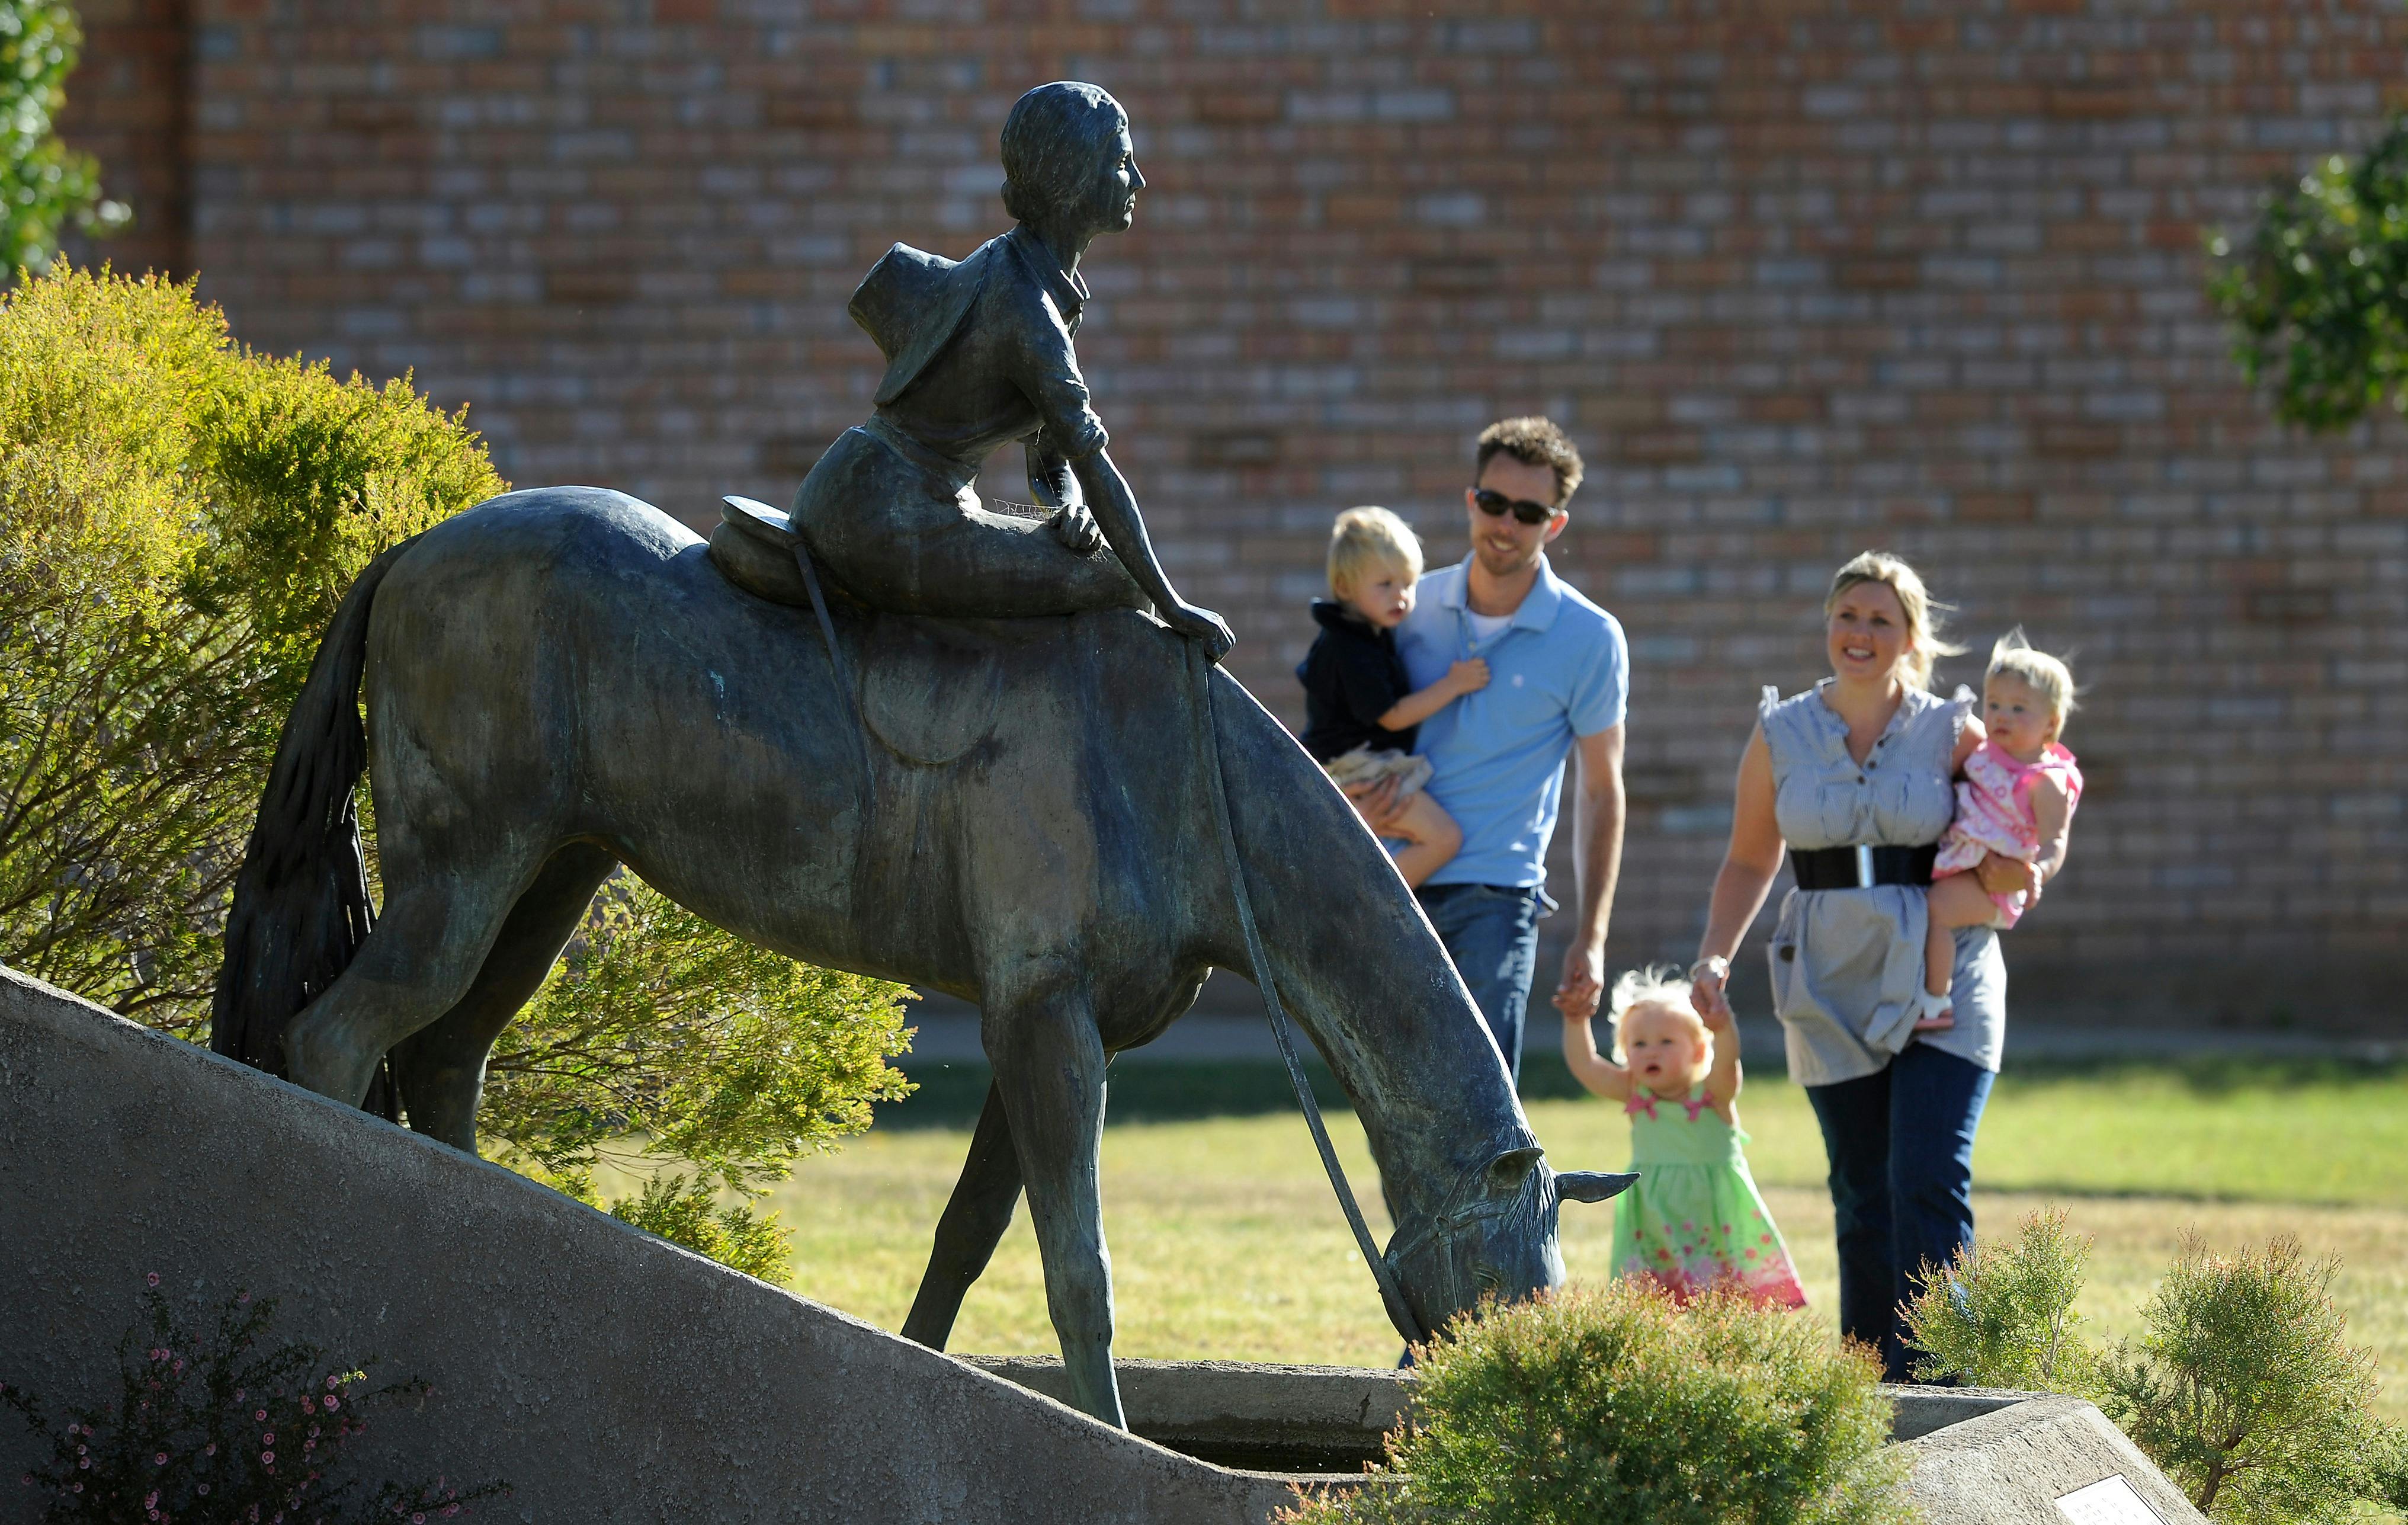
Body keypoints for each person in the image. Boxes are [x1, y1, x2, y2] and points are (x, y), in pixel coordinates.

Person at [1686, 550, 2029, 1379]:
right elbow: (1746, 859)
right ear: (1827, 625)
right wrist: (1714, 954)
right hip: (1828, 976)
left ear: (1912, 637)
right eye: (1848, 615)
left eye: (1881, 619)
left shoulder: (1952, 728)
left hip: (1941, 971)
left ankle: (1950, 1384)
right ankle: (1873, 1391)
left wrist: (2021, 867)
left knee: (1926, 1172)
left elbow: (2016, 803)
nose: (1861, 632)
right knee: (1861, 1192)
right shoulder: (1781, 731)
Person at [790, 81, 1232, 660]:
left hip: (888, 497)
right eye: (1122, 162)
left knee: (1095, 562)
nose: (1139, 180)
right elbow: (1095, 466)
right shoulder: (1029, 309)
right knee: (1121, 581)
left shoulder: (1033, 279)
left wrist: (1064, 510)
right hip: (886, 517)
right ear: (1074, 179)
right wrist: (1174, 606)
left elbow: (1051, 462)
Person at [1348, 417, 1628, 1078]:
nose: (1506, 524)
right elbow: (1350, 723)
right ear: (1471, 501)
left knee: (1478, 1107)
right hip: (1390, 880)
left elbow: (1601, 789)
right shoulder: (1406, 607)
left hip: (1497, 898)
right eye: (1494, 503)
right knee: (1395, 1098)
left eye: (1528, 512)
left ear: (1554, 524)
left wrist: (1593, 936)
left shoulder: (1590, 637)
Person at [1560, 966, 1807, 1308]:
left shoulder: (1713, 1095)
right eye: (1639, 1044)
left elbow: (1728, 1059)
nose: (1651, 1051)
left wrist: (1722, 1028)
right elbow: (1586, 1066)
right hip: (1655, 1217)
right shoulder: (1635, 1092)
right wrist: (1576, 1020)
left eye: (1666, 1042)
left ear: (1697, 1051)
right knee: (1656, 1302)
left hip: (1715, 1214)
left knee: (1727, 1299)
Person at [1296, 507, 1487, 888]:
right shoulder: (1351, 647)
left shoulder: (1365, 633)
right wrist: (1453, 685)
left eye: (1408, 583)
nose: (1401, 595)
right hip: (1359, 767)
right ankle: (1367, 902)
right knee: (1444, 838)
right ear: (1346, 587)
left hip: (1357, 762)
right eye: (1385, 584)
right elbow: (1392, 716)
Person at [1915, 630, 2084, 1031]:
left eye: (2018, 708)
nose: (2001, 716)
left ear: (2051, 723)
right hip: (1958, 856)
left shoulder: (2045, 781)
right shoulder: (1983, 753)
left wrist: (2034, 874)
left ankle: (1934, 1003)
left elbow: (2054, 841)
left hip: (1992, 880)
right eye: (1993, 704)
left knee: (1935, 910)